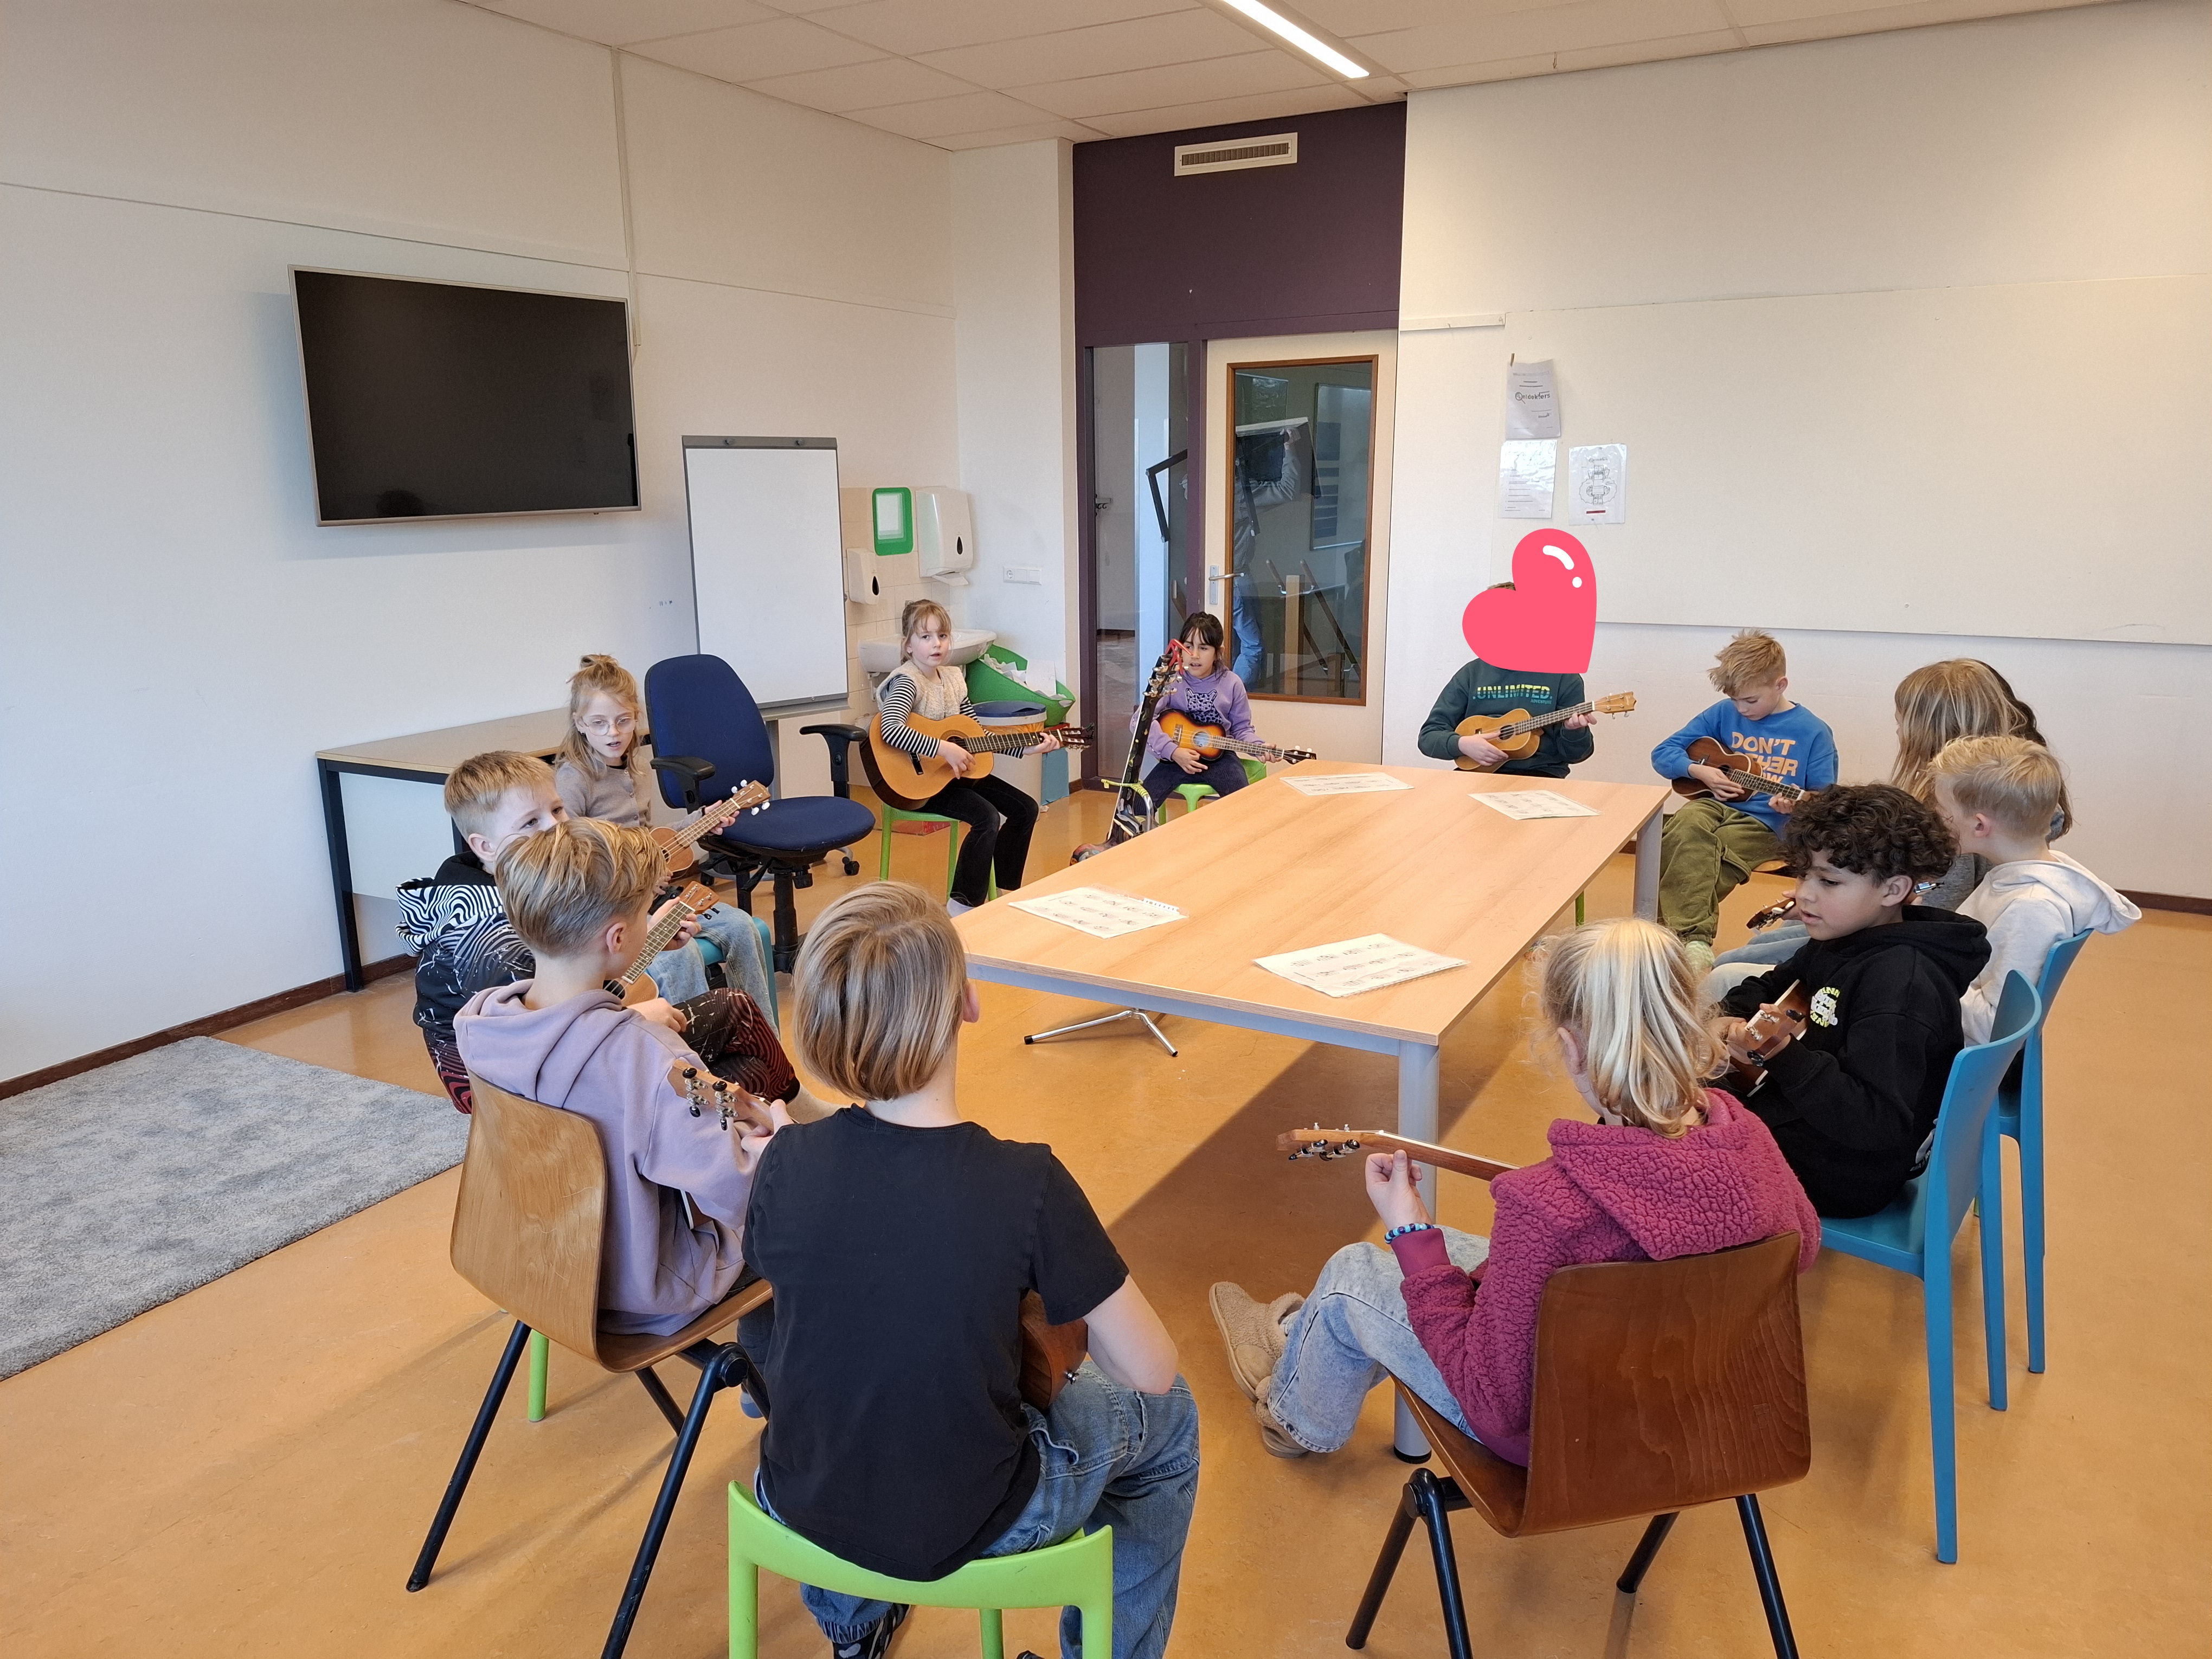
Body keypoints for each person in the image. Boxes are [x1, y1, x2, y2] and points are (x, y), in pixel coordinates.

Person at [743, 882, 1199, 1659]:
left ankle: (853, 1627)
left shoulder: (784, 1160)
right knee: (1174, 1425)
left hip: (799, 1503)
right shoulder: (1026, 1182)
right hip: (981, 1518)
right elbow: (1151, 1371)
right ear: (968, 1004)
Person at [1210, 917, 1818, 1466]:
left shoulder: (1545, 1209)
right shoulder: (1746, 1133)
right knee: (1452, 1261)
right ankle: (1295, 1341)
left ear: (1571, 1046)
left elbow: (1493, 1398)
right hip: (1689, 1410)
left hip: (1563, 1436)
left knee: (1355, 1271)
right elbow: (1805, 1247)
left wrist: (1409, 1230)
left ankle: (1294, 1415)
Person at [453, 818, 790, 1337]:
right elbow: (741, 1190)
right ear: (617, 937)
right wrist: (775, 1148)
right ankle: (765, 1376)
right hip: (639, 1287)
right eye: (642, 916)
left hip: (539, 1262)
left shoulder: (483, 1026)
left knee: (738, 1081)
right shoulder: (648, 1058)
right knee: (807, 1204)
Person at [398, 751, 800, 1114]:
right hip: (525, 1095)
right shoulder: (487, 935)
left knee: (738, 1034)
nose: (555, 829)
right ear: (484, 846)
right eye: (530, 823)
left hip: (571, 1050)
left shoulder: (532, 888)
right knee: (737, 1053)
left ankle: (776, 1120)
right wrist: (638, 1018)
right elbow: (532, 1048)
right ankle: (762, 1128)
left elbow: (573, 982)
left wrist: (649, 935)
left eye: (557, 810)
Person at [1708, 657, 2069, 998]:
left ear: (1930, 729)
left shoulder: (1959, 824)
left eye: (1901, 722)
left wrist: (1841, 899)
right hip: (1887, 923)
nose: (1897, 731)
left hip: (1892, 943)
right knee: (1763, 944)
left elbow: (1929, 906)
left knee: (1727, 971)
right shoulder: (2011, 814)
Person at [1711, 785, 1989, 1218]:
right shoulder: (1846, 938)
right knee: (1648, 1100)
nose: (1804, 893)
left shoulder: (1902, 987)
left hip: (1845, 1170)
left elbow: (1876, 1122)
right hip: (1805, 1118)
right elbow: (1771, 986)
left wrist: (1781, 1054)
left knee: (1644, 1135)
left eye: (1829, 881)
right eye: (1803, 874)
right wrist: (1728, 1021)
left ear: (1893, 889)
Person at [548, 653, 776, 1013]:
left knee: (743, 928)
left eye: (624, 722)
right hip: (618, 913)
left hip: (658, 897)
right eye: (600, 723)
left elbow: (649, 840)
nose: (613, 733)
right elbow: (574, 864)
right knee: (679, 956)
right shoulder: (573, 780)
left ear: (636, 718)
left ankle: (764, 1043)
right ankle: (695, 1053)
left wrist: (699, 819)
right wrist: (637, 877)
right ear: (579, 723)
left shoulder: (632, 771)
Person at [1925, 736, 2137, 1044]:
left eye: (1943, 811)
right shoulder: (2019, 876)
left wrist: (1919, 983)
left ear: (1980, 826)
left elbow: (1993, 1027)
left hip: (1955, 1051)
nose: (1936, 819)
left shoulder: (2032, 908)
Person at [1651, 631, 1838, 972]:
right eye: (1735, 700)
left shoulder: (1813, 732)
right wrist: (1699, 771)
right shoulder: (1724, 713)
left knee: (1701, 855)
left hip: (1768, 824)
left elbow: (1825, 800)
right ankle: (1693, 944)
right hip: (1714, 805)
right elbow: (1663, 753)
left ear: (1781, 685)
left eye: (1750, 701)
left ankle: (1675, 940)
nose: (1741, 709)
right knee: (1687, 824)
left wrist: (1797, 805)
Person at [874, 600, 1061, 916]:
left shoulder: (954, 680)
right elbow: (891, 729)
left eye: (942, 636)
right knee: (986, 817)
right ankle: (962, 905)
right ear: (908, 646)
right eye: (926, 637)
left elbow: (975, 736)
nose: (937, 644)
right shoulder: (907, 681)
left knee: (1025, 808)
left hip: (954, 776)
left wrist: (1025, 748)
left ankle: (1004, 890)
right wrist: (942, 748)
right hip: (919, 785)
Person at [1414, 586, 1598, 778]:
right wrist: (1463, 744)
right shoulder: (1472, 673)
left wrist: (1573, 731)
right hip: (1474, 775)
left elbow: (1578, 755)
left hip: (1541, 775)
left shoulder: (1564, 676)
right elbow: (1428, 737)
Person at [1140, 612, 1260, 814]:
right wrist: (1172, 751)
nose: (1194, 655)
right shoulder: (1170, 680)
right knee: (1138, 805)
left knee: (1242, 806)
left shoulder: (1232, 683)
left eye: (1203, 648)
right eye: (1188, 646)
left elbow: (1242, 729)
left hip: (1220, 757)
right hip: (1177, 758)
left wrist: (1259, 747)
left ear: (1218, 652)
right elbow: (1141, 721)